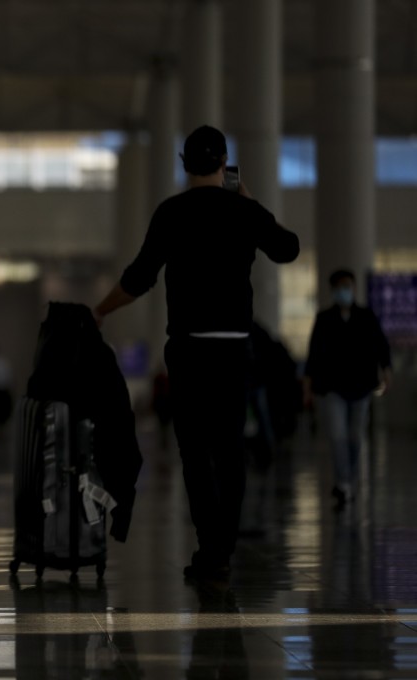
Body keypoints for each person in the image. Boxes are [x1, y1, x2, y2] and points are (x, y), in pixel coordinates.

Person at [93, 125, 300, 581]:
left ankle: (211, 548)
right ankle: (222, 549)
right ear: (224, 162)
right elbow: (289, 249)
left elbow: (140, 277)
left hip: (188, 350)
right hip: (234, 349)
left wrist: (101, 310)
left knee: (195, 451)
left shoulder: (172, 213)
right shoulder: (242, 212)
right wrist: (248, 203)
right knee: (230, 451)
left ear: (185, 164)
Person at [303, 269, 392, 508]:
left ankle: (348, 481)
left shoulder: (366, 316)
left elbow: (381, 345)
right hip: (332, 387)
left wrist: (386, 371)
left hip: (362, 386)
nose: (345, 291)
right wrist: (308, 386)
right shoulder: (324, 319)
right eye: (341, 286)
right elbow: (313, 354)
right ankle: (343, 483)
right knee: (338, 435)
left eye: (348, 286)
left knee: (354, 436)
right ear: (333, 290)